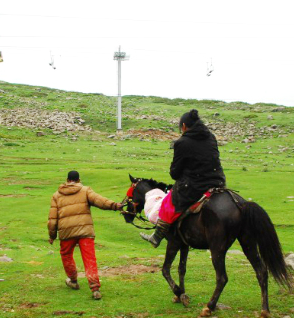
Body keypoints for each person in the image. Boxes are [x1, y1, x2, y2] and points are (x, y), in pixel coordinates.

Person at [141, 109, 226, 247]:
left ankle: (157, 236)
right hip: (218, 182)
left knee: (169, 203)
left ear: (184, 126)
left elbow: (175, 173)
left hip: (195, 186)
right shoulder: (211, 137)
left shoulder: (182, 142)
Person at [47, 170, 122, 300]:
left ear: (67, 179)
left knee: (66, 255)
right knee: (89, 259)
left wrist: (52, 236)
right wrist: (115, 206)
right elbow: (100, 201)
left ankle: (73, 280)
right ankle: (95, 289)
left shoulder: (56, 195)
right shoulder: (85, 190)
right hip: (85, 232)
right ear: (79, 180)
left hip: (66, 232)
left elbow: (52, 219)